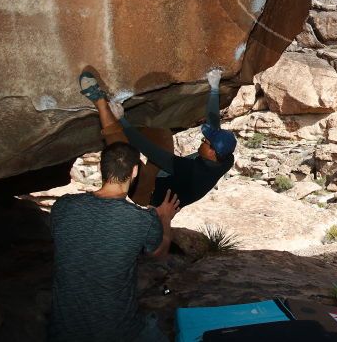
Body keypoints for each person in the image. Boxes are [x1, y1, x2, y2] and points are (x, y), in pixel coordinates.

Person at [49, 142, 180, 341]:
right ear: (135, 171)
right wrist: (165, 219)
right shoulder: (141, 220)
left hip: (64, 330)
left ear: (101, 168)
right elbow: (159, 253)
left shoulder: (63, 207)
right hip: (117, 331)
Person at [79, 68, 237, 208]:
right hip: (169, 177)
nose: (202, 140)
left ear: (212, 153)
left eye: (205, 142)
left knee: (120, 156)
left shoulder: (192, 171)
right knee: (162, 134)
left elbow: (151, 151)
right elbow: (213, 123)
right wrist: (214, 87)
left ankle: (101, 104)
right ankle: (126, 122)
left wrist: (122, 121)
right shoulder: (226, 158)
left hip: (149, 193)